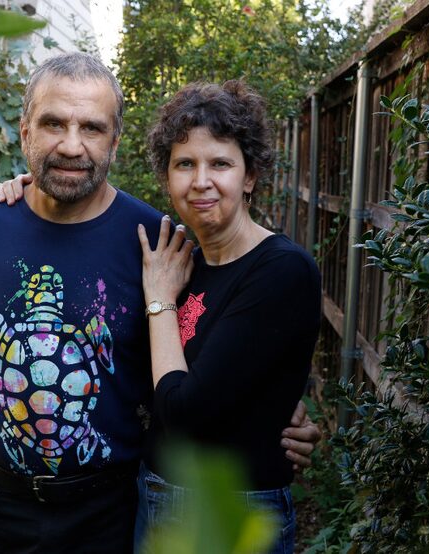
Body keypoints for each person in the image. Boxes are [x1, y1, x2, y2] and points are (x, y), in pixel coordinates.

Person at [0, 53, 320, 554]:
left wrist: (280, 413)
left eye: (91, 128)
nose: (71, 145)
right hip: (0, 506)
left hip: (115, 510)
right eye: (53, 124)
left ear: (114, 142)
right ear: (25, 131)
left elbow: (215, 353)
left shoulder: (158, 245)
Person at [131, 80, 322, 553]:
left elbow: (184, 415)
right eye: (184, 164)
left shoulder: (281, 272)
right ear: (167, 177)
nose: (200, 181)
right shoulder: (180, 262)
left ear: (250, 175)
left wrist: (158, 301)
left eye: (220, 163)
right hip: (155, 499)